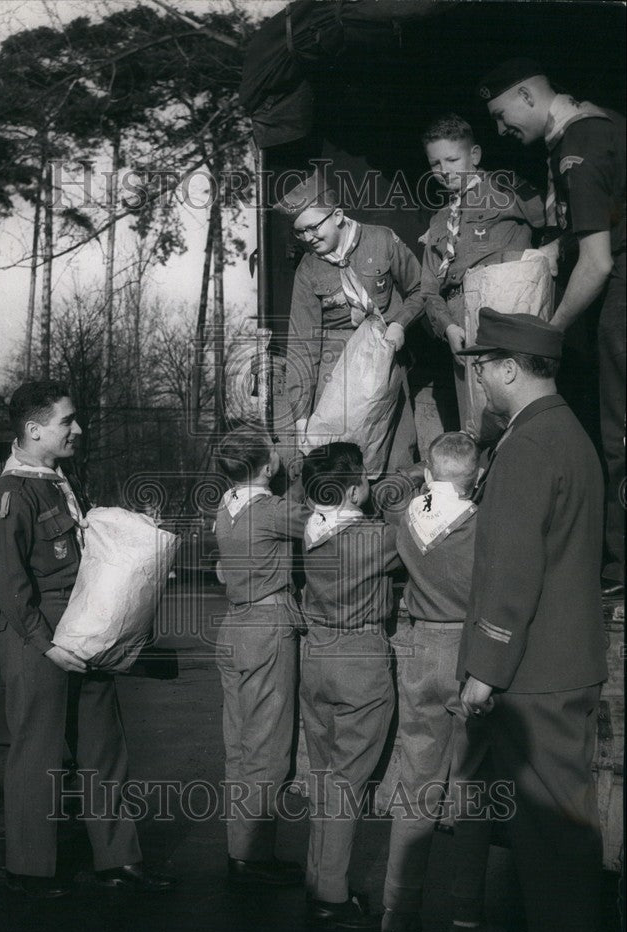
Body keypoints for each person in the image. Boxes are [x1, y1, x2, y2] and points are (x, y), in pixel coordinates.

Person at [456, 309, 607, 932]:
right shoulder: (570, 434)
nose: (480, 380)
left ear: (511, 368)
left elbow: (511, 572)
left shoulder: (526, 447)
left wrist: (484, 672)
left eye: (483, 366)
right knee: (567, 841)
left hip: (534, 677)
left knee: (549, 853)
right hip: (567, 665)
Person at [0, 381, 177, 899]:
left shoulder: (58, 481)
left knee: (103, 748)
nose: (78, 429)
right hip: (37, 637)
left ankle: (119, 860)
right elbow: (8, 582)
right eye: (66, 421)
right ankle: (28, 870)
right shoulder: (12, 493)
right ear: (34, 430)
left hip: (86, 629)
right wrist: (47, 646)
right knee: (38, 753)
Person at [477, 57, 625, 597]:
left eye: (502, 115)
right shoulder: (601, 123)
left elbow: (599, 262)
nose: (500, 129)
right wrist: (555, 248)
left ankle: (619, 574)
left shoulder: (577, 148)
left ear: (527, 95)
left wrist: (550, 331)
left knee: (620, 436)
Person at [381, 432, 495, 932]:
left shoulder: (408, 518)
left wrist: (414, 478)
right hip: (470, 653)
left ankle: (397, 911)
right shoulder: (482, 525)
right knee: (470, 788)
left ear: (428, 475)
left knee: (416, 782)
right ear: (479, 478)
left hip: (421, 648)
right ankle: (465, 918)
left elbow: (392, 495)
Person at [300, 442, 399, 930]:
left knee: (324, 778)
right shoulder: (375, 538)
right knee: (347, 785)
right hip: (359, 661)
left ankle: (319, 881)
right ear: (358, 490)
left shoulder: (309, 529)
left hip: (316, 658)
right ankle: (332, 897)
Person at [277, 170, 424, 472]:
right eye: (299, 233)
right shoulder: (308, 270)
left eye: (313, 228)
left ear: (338, 216)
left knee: (396, 461)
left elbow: (421, 289)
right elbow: (302, 344)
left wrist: (400, 323)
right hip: (336, 378)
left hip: (386, 364)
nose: (308, 238)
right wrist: (302, 416)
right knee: (341, 469)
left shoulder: (382, 240)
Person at [214, 427, 306, 888]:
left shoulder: (225, 508)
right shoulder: (271, 511)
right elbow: (327, 522)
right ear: (268, 466)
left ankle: (242, 852)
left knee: (239, 747)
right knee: (267, 750)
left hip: (233, 627)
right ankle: (254, 857)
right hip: (266, 628)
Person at [420, 113, 546, 439]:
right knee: (477, 425)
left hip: (507, 315)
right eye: (435, 164)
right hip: (461, 331)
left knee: (522, 418)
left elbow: (554, 218)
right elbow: (429, 288)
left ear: (474, 155)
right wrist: (448, 327)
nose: (444, 171)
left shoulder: (506, 188)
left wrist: (550, 251)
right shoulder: (438, 221)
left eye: (452, 160)